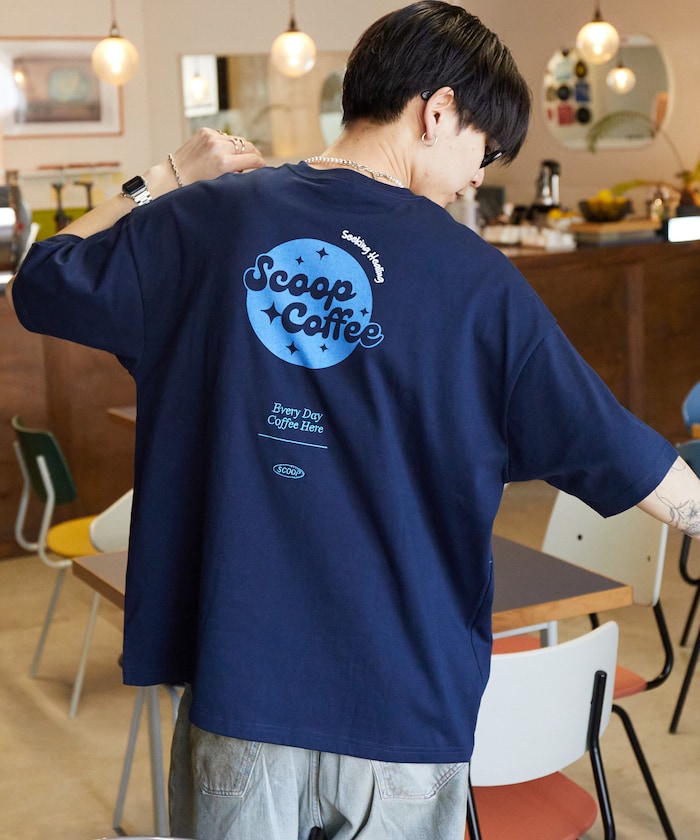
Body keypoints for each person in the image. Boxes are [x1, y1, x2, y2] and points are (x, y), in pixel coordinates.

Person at [8, 2, 700, 838]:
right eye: (484, 150)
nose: (476, 177)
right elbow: (625, 455)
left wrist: (166, 174)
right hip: (403, 705)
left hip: (242, 689)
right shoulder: (479, 283)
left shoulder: (211, 218)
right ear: (437, 111)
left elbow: (41, 280)